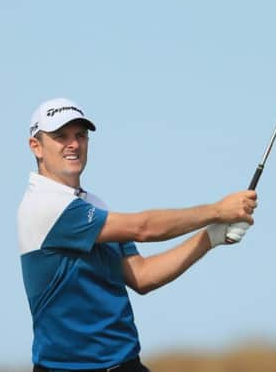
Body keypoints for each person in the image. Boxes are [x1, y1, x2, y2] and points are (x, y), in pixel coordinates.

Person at [17, 98, 257, 372]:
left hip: (125, 364)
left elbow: (141, 276)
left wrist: (209, 238)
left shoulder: (94, 206)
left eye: (80, 135)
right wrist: (217, 211)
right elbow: (143, 228)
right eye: (61, 136)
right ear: (36, 146)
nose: (74, 144)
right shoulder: (44, 204)